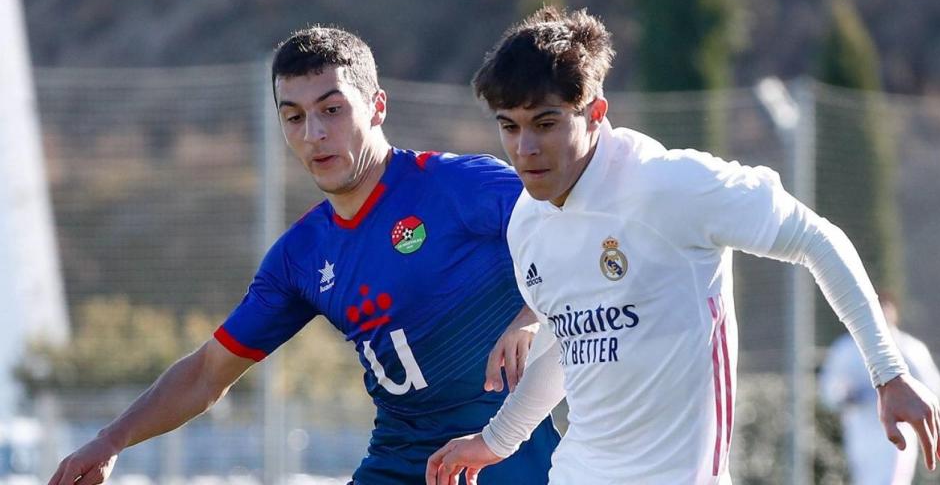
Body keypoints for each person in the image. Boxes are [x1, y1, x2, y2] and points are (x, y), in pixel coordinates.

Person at [426, 7, 940, 485]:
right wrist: (496, 440)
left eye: (546, 123)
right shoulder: (526, 223)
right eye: (509, 127)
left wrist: (889, 373)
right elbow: (566, 342)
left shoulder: (673, 186)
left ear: (597, 111)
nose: (526, 148)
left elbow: (817, 237)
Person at [47, 26, 560, 485]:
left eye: (331, 110)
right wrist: (109, 441)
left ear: (377, 107)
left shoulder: (460, 184)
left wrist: (533, 313)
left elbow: (571, 233)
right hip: (400, 458)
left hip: (505, 449)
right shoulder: (299, 257)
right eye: (294, 117)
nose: (313, 134)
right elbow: (207, 374)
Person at [820, 293, 940, 485]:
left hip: (899, 435)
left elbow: (936, 392)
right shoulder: (845, 350)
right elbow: (828, 393)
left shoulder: (910, 349)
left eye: (885, 307)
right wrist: (847, 397)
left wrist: (908, 398)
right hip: (860, 432)